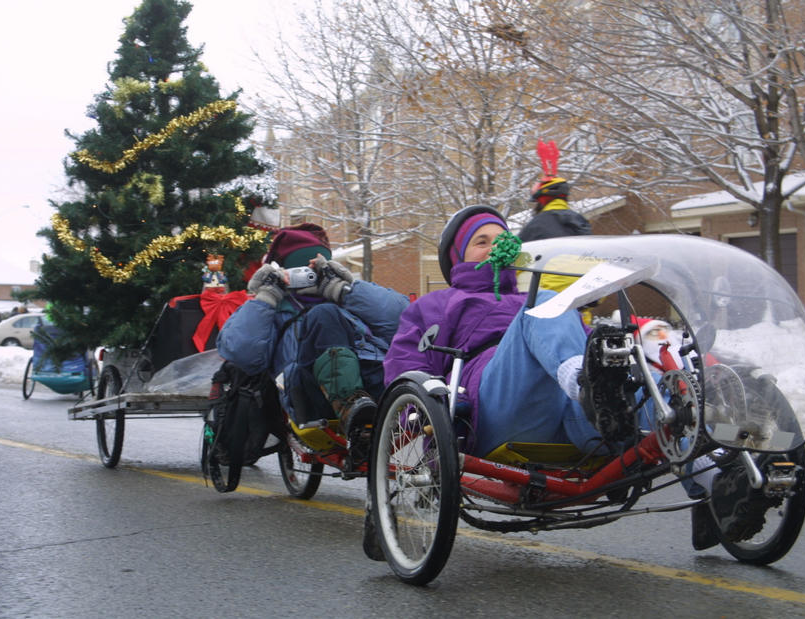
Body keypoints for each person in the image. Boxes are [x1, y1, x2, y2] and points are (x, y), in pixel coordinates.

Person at [383, 205, 764, 548]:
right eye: (481, 241)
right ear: (457, 256)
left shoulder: (536, 297)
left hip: (577, 418)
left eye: (501, 240)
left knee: (641, 378)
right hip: (499, 407)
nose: (494, 247)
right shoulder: (437, 304)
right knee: (547, 303)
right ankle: (584, 384)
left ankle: (719, 485)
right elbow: (405, 372)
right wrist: (429, 428)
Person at [217, 223, 409, 449]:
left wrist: (347, 289)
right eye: (299, 270)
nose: (307, 277)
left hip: (374, 378)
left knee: (404, 363)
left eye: (313, 270)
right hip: (313, 394)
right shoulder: (274, 312)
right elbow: (243, 354)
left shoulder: (349, 300)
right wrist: (265, 298)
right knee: (324, 315)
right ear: (285, 271)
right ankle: (349, 404)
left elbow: (405, 319)